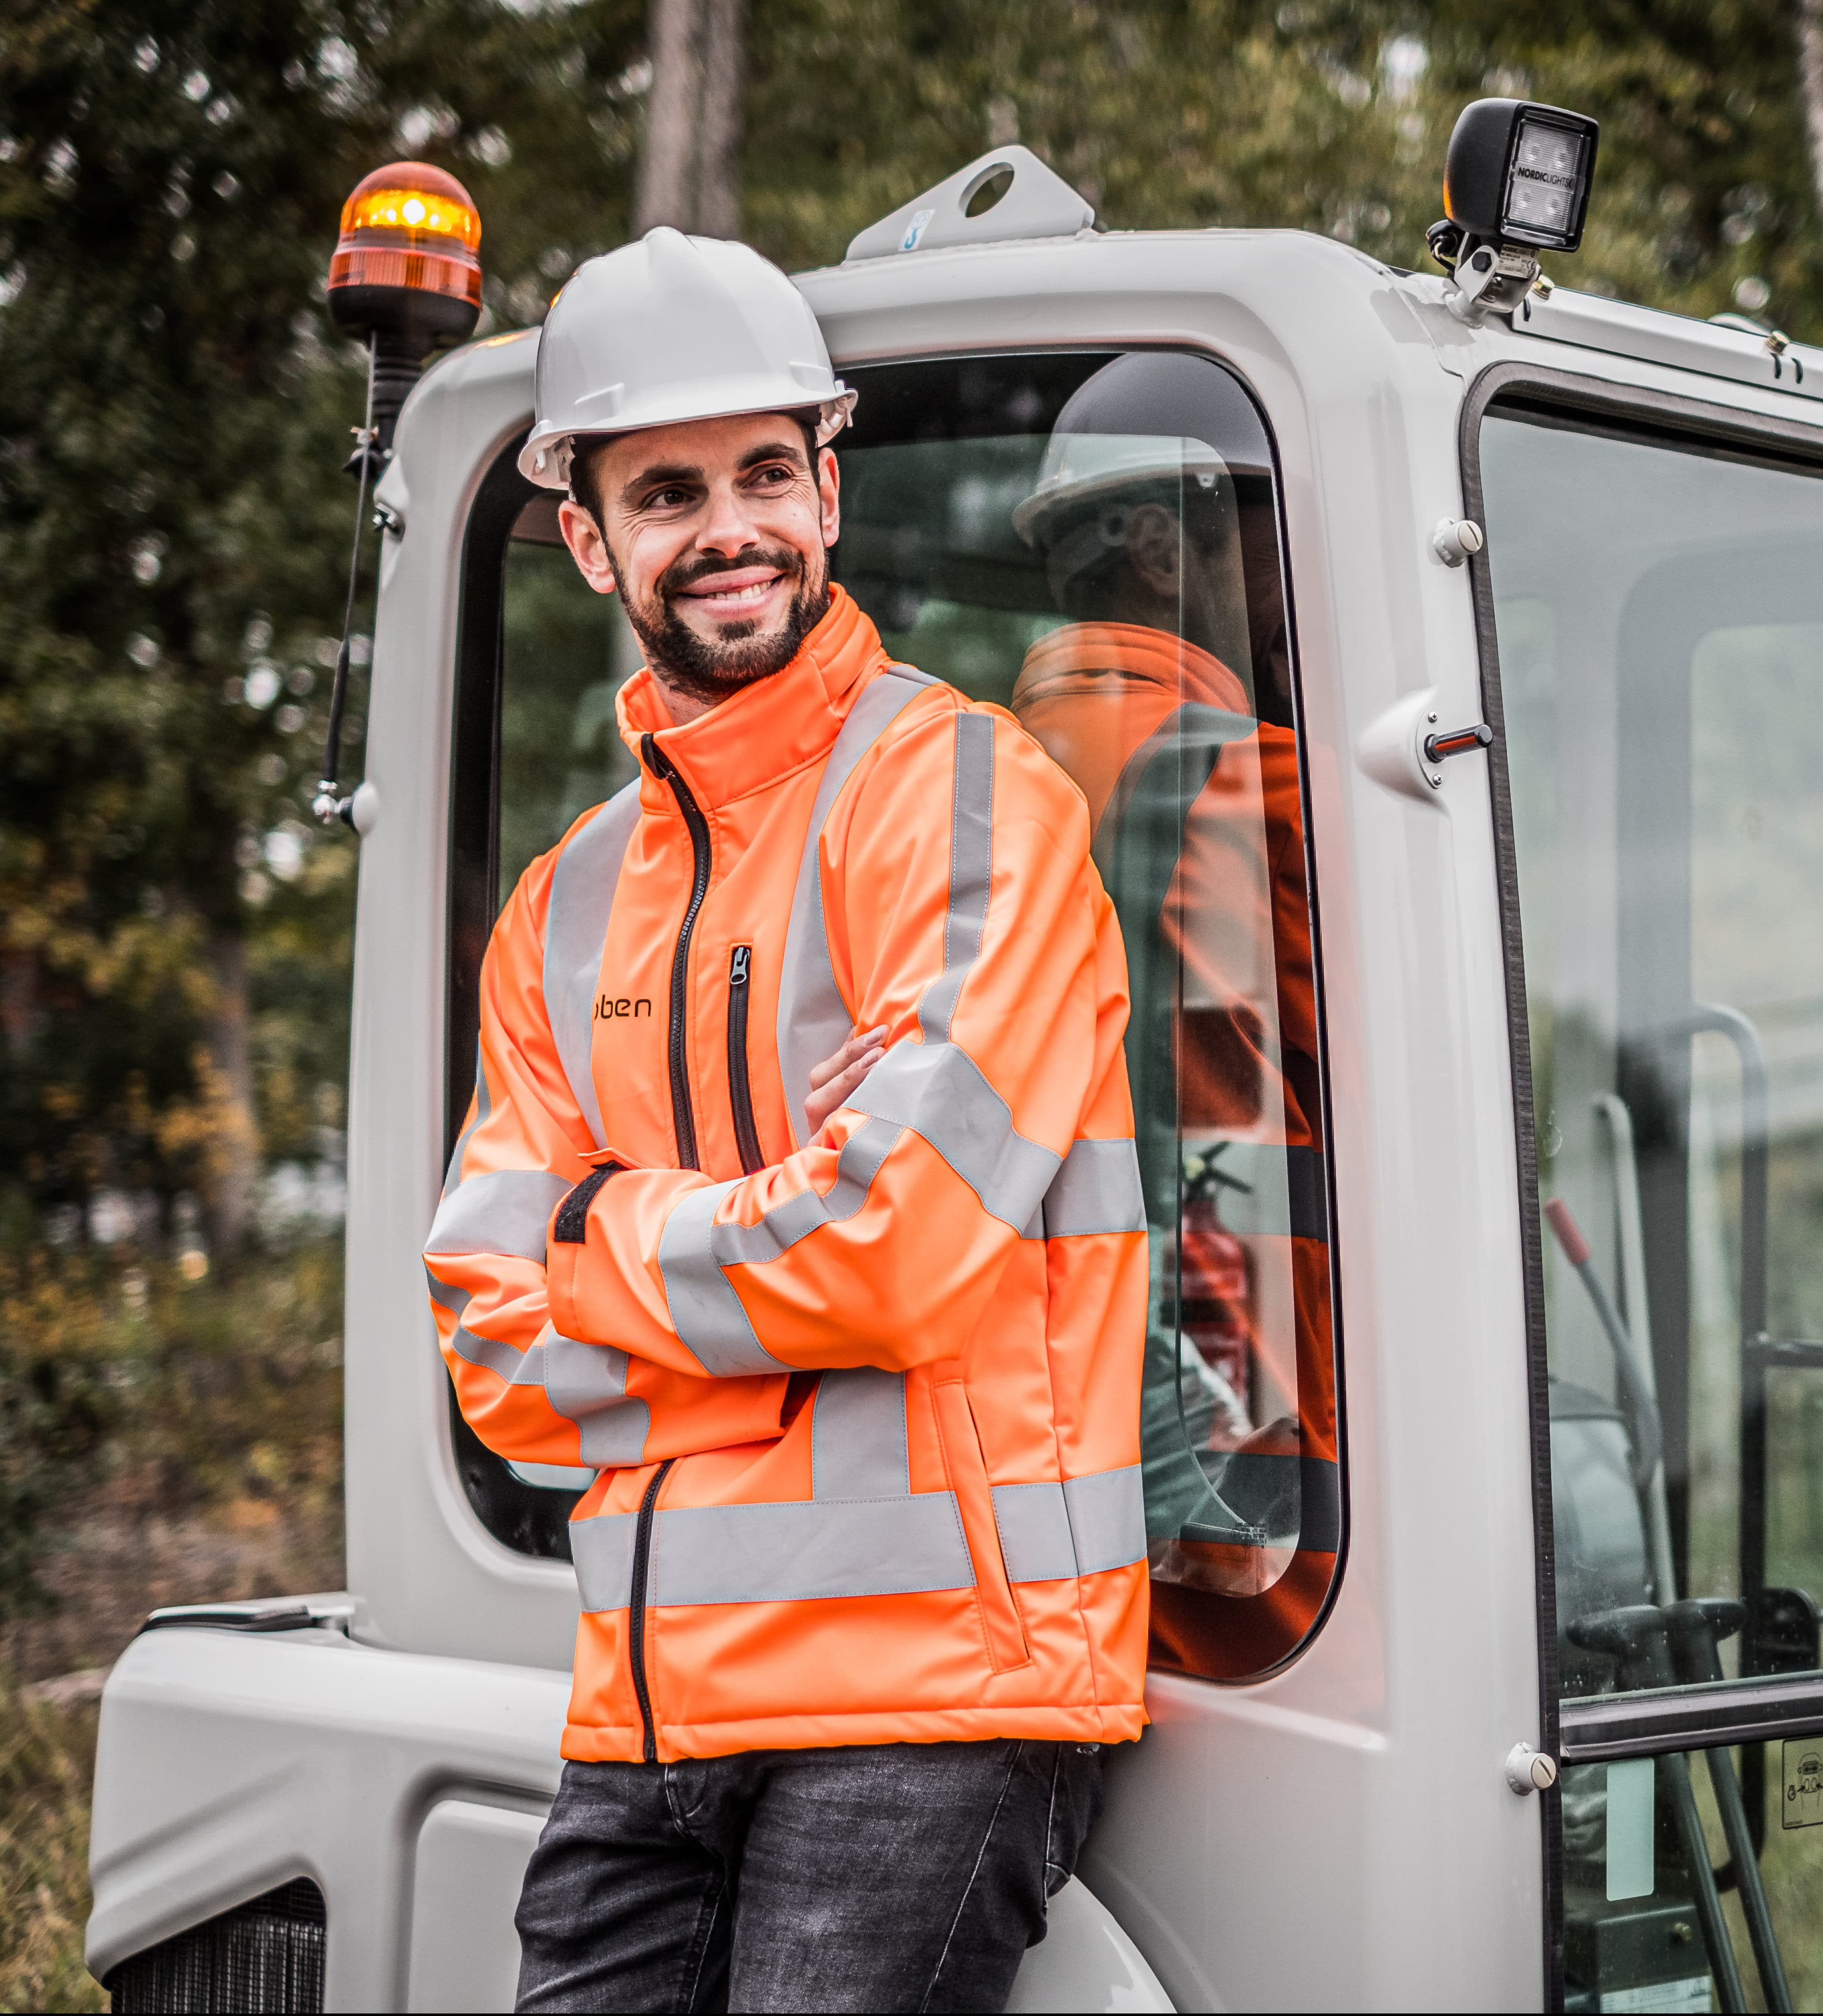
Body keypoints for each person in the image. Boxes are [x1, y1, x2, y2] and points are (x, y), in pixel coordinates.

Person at [422, 227, 1149, 2015]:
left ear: (827, 488)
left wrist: (601, 1222)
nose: (727, 526)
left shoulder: (966, 792)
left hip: (935, 1695)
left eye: (764, 472)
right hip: (648, 1710)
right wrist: (768, 1221)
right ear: (590, 538)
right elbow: (490, 1342)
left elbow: (892, 1247)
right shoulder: (560, 905)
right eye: (666, 491)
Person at [1007, 370, 1331, 1618]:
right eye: (1265, 532)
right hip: (1254, 1454)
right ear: (1159, 546)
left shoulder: (984, 780)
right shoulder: (1257, 786)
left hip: (1073, 1449)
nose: (1291, 571)